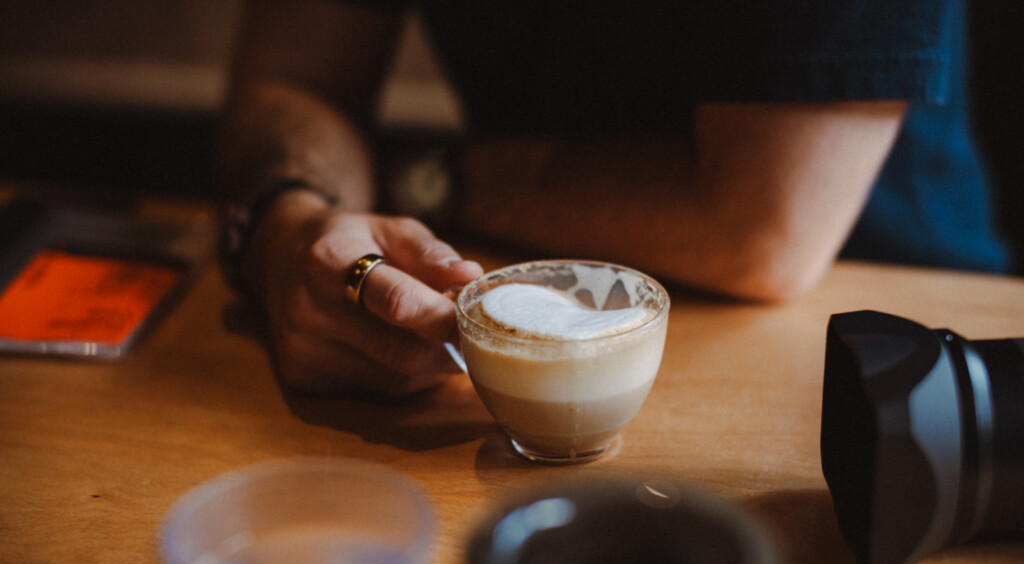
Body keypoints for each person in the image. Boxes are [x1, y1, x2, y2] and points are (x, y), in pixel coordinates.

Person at [216, 0, 1013, 396]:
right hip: (514, 306)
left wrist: (421, 180)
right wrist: (290, 216)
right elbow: (293, 81)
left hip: (901, 338)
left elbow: (759, 229)